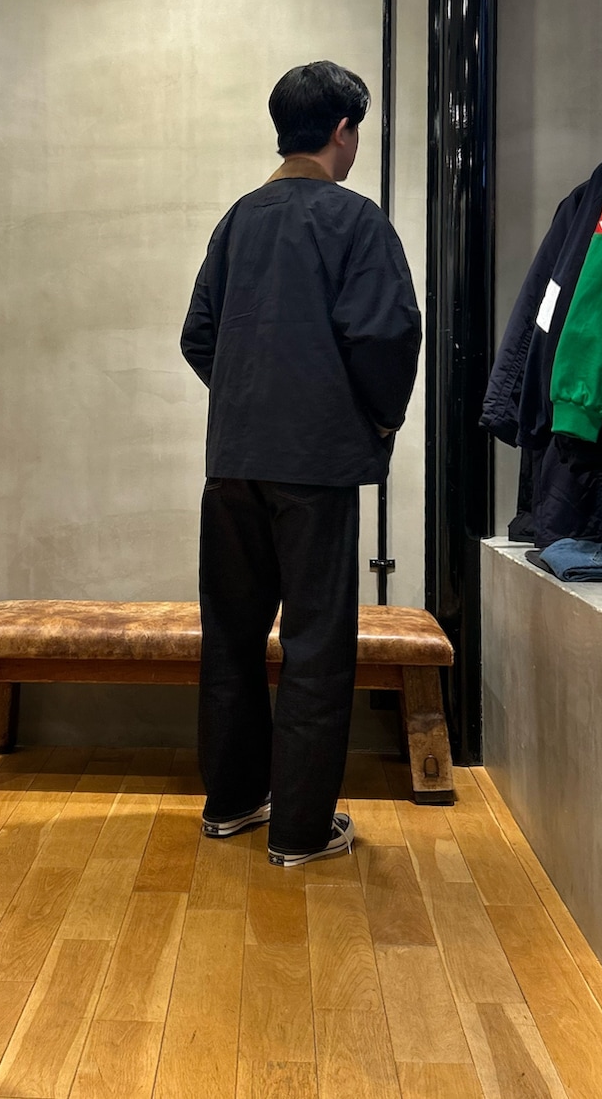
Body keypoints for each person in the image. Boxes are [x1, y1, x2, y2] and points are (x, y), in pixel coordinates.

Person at [180, 60, 421, 867]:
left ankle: (231, 802)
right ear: (343, 131)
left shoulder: (237, 221)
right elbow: (386, 334)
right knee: (316, 643)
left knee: (232, 634)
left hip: (232, 464)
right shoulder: (355, 220)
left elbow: (198, 335)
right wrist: (375, 420)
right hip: (314, 468)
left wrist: (251, 396)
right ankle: (301, 831)